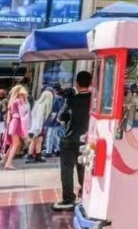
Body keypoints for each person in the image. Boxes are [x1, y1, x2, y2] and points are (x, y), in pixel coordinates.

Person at [53, 71, 91, 211]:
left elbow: (60, 117)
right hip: (86, 139)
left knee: (67, 170)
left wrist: (68, 101)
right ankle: (86, 193)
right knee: (84, 168)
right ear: (90, 83)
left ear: (77, 83)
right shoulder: (94, 100)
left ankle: (68, 198)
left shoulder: (72, 99)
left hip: (69, 139)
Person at [2, 85, 31, 170]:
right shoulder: (18, 101)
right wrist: (25, 101)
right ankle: (8, 163)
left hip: (13, 123)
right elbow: (24, 111)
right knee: (15, 144)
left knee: (13, 144)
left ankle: (5, 161)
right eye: (22, 93)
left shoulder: (12, 101)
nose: (24, 95)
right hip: (17, 122)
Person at [26, 88, 54, 163]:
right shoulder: (42, 105)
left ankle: (37, 155)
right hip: (38, 126)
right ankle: (30, 156)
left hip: (37, 125)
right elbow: (39, 118)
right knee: (35, 140)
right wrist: (38, 129)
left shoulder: (38, 103)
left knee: (39, 140)